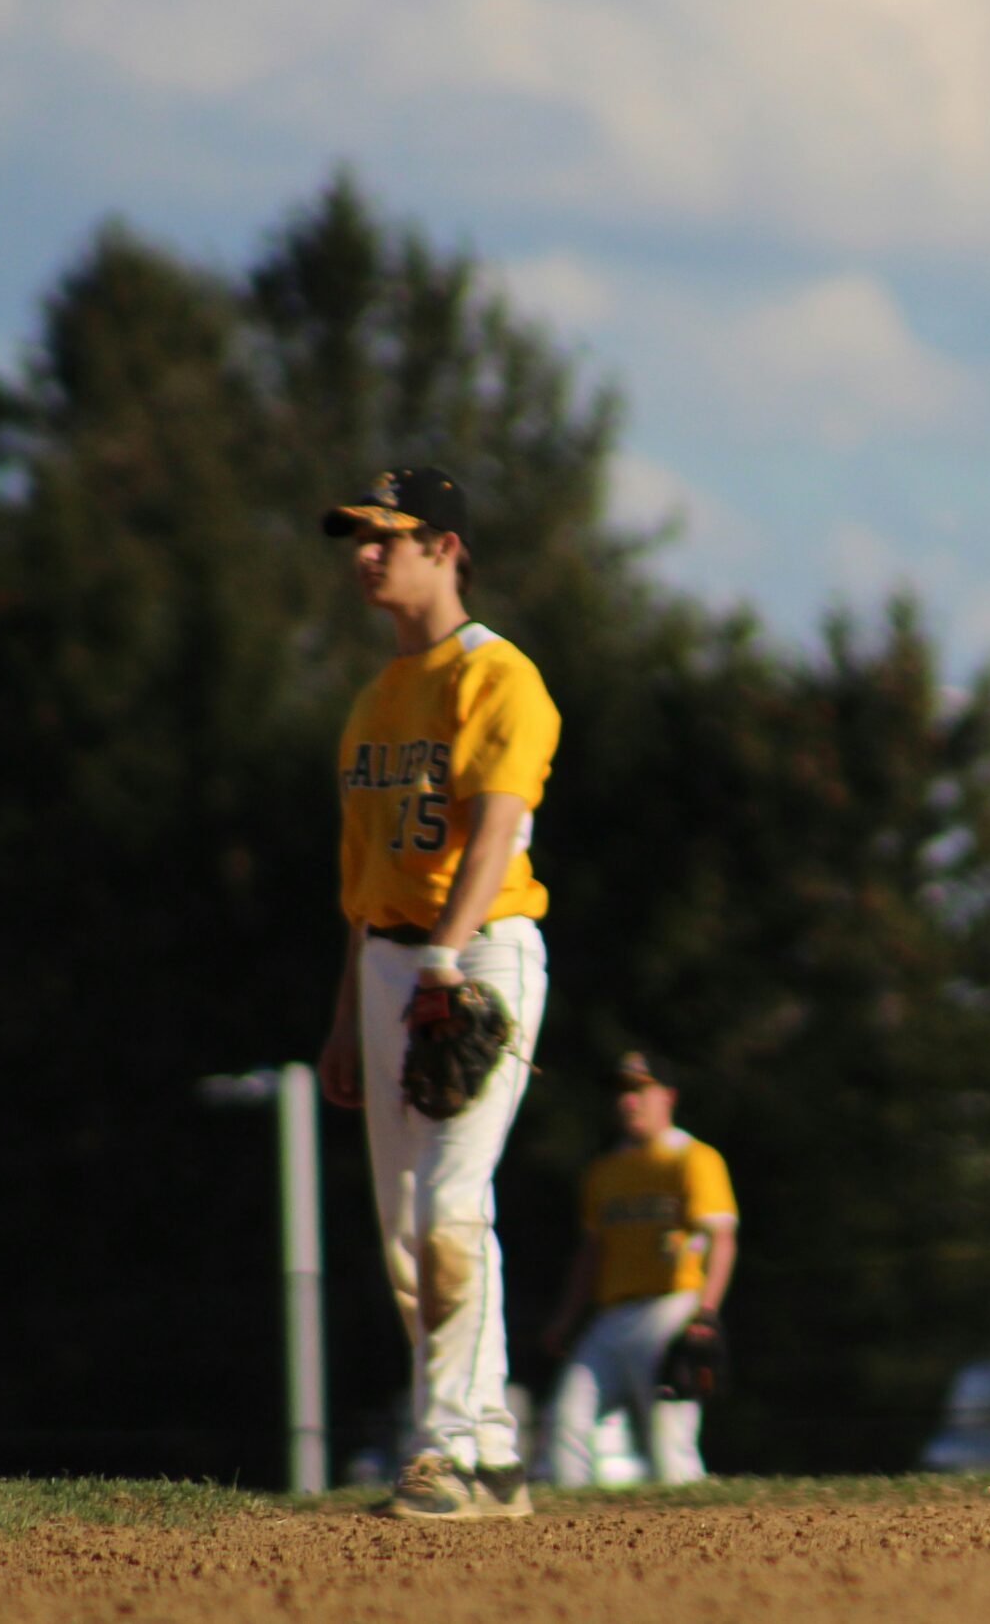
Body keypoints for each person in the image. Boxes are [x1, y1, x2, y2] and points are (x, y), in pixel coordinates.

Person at [314, 466, 561, 1521]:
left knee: (450, 1209)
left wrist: (444, 964)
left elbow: (497, 827)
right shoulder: (375, 700)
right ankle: (494, 1451)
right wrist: (343, 1019)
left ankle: (446, 1448)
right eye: (358, 537)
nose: (368, 552)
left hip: (476, 957)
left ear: (447, 547)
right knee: (408, 1227)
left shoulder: (497, 676)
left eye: (390, 535)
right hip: (387, 966)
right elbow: (366, 883)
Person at [542, 1052, 739, 1486]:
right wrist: (566, 1318)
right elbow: (590, 1254)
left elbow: (721, 1239)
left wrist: (706, 1311)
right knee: (565, 1421)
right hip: (612, 1317)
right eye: (621, 1091)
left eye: (639, 1089)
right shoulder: (603, 1172)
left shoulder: (692, 1159)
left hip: (671, 1311)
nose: (628, 1101)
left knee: (670, 1443)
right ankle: (562, 1537)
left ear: (667, 1096)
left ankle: (703, 1543)